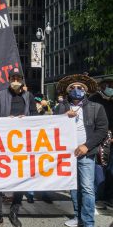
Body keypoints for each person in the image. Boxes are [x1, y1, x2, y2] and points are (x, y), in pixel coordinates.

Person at [0, 67, 37, 227]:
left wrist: (26, 119)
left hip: (22, 143)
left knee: (20, 179)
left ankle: (14, 212)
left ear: (21, 80)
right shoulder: (0, 95)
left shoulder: (29, 96)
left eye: (18, 78)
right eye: (12, 78)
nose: (15, 80)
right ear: (9, 79)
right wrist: (5, 120)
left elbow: (36, 117)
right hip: (2, 142)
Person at [54, 74, 108, 227]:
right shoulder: (62, 107)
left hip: (86, 154)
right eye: (72, 88)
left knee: (87, 188)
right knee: (73, 186)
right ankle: (78, 217)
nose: (76, 90)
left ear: (85, 91)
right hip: (67, 155)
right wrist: (64, 116)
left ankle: (88, 222)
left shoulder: (96, 107)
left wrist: (87, 146)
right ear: (67, 91)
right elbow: (52, 126)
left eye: (80, 88)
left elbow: (102, 130)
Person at [88, 77, 113, 209]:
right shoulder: (93, 99)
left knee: (109, 168)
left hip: (110, 138)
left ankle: (108, 195)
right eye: (108, 85)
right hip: (97, 137)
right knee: (98, 166)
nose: (110, 88)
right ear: (102, 86)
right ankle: (98, 195)